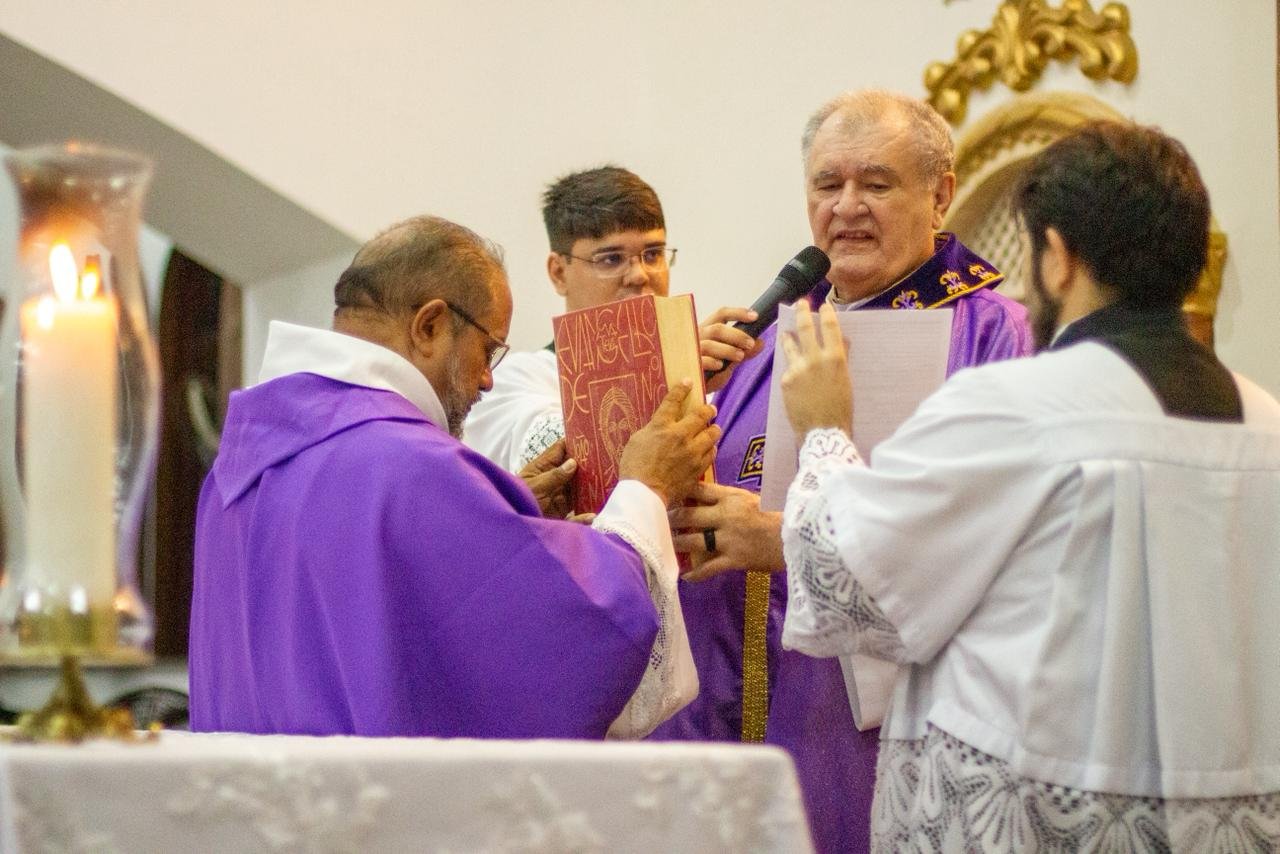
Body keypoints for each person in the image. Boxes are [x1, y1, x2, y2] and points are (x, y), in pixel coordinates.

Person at [778, 121, 1280, 851]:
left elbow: (845, 580)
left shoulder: (1016, 408)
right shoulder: (1267, 425)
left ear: (1056, 259)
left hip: (1041, 816)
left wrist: (825, 431)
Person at [658, 89, 1032, 853]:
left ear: (941, 193)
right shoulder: (763, 343)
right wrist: (679, 395)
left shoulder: (999, 337)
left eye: (877, 183)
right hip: (730, 714)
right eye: (828, 185)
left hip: (881, 733)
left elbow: (994, 542)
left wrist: (780, 539)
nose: (847, 207)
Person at [189, 215, 721, 740]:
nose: (489, 379)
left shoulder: (241, 469)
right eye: (489, 350)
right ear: (430, 326)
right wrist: (645, 489)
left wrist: (506, 513)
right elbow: (573, 633)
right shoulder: (409, 464)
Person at [464, 165, 755, 473]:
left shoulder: (710, 378)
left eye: (653, 254)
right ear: (558, 273)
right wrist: (675, 374)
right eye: (611, 259)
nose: (640, 274)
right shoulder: (512, 382)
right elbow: (577, 462)